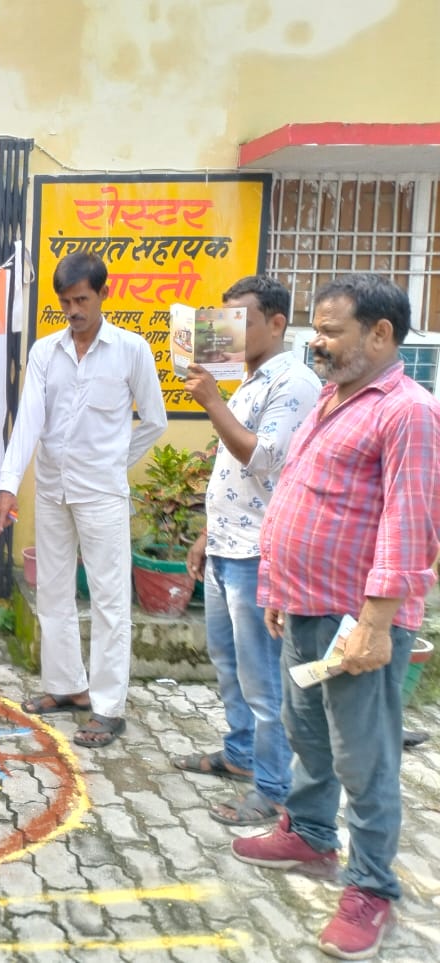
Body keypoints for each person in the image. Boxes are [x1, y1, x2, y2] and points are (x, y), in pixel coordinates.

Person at [232, 274, 440, 960]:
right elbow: (301, 492)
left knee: (364, 756)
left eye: (330, 331)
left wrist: (377, 623)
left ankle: (371, 887)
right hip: (305, 603)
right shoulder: (332, 397)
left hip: (357, 620)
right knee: (306, 730)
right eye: (314, 329)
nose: (315, 343)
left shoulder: (408, 412)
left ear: (380, 334)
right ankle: (310, 834)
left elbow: (411, 525)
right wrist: (276, 588)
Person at [0, 251, 166, 748]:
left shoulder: (131, 350)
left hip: (102, 494)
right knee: (52, 590)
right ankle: (68, 686)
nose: (74, 311)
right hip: (53, 488)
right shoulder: (46, 352)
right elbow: (29, 419)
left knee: (110, 600)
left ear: (104, 294)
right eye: (66, 302)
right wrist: (8, 484)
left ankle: (108, 708)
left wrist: (112, 463)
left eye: (82, 300)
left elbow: (154, 420)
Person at [171, 277, 321, 826]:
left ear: (277, 323)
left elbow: (263, 458)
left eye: (242, 320)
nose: (230, 332)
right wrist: (206, 533)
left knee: (262, 679)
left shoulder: (294, 382)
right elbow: (234, 473)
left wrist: (211, 400)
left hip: (259, 554)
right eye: (226, 319)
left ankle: (273, 788)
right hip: (227, 545)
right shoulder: (251, 380)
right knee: (228, 664)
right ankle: (239, 755)